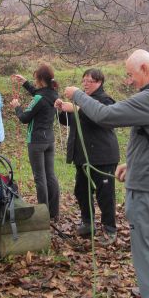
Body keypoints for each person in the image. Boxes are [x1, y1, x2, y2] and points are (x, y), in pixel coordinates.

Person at [63, 50, 149, 298]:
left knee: (148, 259)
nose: (128, 81)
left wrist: (78, 95)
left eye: (130, 74)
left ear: (144, 68)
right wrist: (134, 164)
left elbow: (106, 116)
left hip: (147, 193)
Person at [54, 68, 119, 244]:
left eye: (90, 81)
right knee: (81, 191)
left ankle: (110, 229)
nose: (86, 84)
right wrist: (61, 110)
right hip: (82, 156)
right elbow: (68, 121)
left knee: (105, 193)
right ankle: (88, 223)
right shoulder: (81, 100)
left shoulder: (105, 100)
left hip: (102, 156)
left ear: (99, 82)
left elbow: (98, 118)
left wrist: (76, 108)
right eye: (84, 81)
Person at [10, 64, 60, 220]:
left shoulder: (40, 97)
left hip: (36, 142)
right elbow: (39, 94)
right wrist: (25, 83)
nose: (34, 81)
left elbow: (24, 118)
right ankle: (53, 212)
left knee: (40, 178)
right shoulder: (53, 93)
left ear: (40, 79)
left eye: (34, 79)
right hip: (49, 140)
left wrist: (17, 107)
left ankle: (42, 213)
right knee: (50, 176)